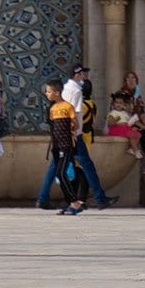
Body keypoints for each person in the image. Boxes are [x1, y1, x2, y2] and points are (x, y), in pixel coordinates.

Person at [36, 63, 118, 210]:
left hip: (62, 134)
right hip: (73, 135)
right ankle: (100, 198)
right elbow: (73, 113)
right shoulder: (76, 91)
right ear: (78, 75)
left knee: (56, 165)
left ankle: (43, 197)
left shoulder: (66, 89)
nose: (84, 77)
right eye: (82, 74)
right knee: (87, 165)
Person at [44, 77, 87, 215]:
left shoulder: (67, 107)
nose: (47, 94)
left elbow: (76, 124)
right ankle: (70, 203)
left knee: (61, 173)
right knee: (62, 176)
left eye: (49, 91)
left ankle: (74, 203)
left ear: (57, 92)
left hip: (66, 145)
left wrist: (72, 127)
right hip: (56, 146)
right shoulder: (52, 108)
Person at [105, 93, 143, 158]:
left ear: (124, 104)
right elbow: (110, 123)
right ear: (113, 103)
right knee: (131, 134)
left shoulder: (125, 113)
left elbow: (129, 121)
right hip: (116, 129)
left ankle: (131, 148)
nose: (118, 104)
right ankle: (136, 150)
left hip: (125, 129)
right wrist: (115, 120)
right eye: (116, 102)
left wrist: (137, 126)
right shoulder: (113, 113)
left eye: (120, 103)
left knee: (138, 134)